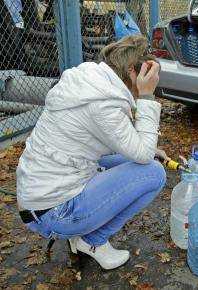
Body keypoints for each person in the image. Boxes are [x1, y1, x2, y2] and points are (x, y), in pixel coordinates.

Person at [16, 35, 168, 270]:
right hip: (54, 212)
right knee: (153, 173)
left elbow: (108, 141)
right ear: (131, 72)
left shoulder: (91, 82)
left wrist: (147, 147)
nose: (150, 84)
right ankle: (92, 241)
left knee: (137, 159)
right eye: (148, 79)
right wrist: (147, 96)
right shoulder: (103, 103)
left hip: (39, 198)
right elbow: (143, 156)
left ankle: (84, 236)